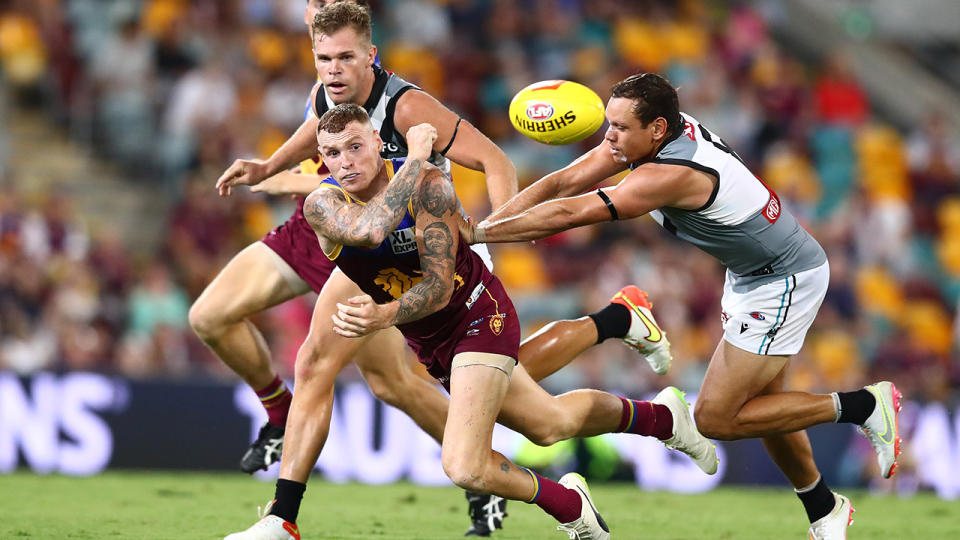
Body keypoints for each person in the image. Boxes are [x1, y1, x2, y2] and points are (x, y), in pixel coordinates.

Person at [208, 2, 672, 537]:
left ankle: (615, 330)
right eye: (323, 58)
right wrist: (268, 167)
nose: (332, 69)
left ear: (371, 56)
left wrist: (500, 232)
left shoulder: (407, 108)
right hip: (375, 252)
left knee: (531, 409)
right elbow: (318, 130)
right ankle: (283, 518)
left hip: (437, 255)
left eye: (344, 58)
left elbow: (496, 160)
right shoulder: (328, 97)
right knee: (329, 364)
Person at [462, 73, 902, 540]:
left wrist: (478, 234)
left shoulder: (669, 175)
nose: (609, 137)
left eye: (620, 127)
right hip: (754, 275)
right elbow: (565, 179)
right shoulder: (655, 135)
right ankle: (823, 510)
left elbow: (572, 211)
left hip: (783, 280)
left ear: (655, 129)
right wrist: (494, 223)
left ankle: (862, 406)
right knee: (768, 406)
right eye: (608, 124)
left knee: (715, 418)